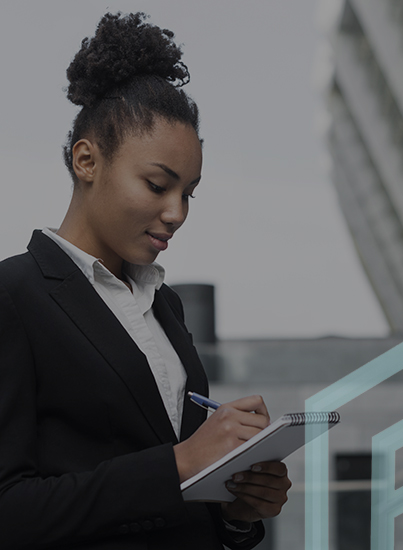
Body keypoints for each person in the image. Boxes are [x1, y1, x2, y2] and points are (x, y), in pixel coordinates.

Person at [0, 11, 290, 550]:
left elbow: (172, 503)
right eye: (158, 185)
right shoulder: (13, 295)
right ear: (87, 160)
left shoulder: (165, 308)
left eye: (189, 193)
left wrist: (234, 508)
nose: (177, 212)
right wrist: (179, 464)